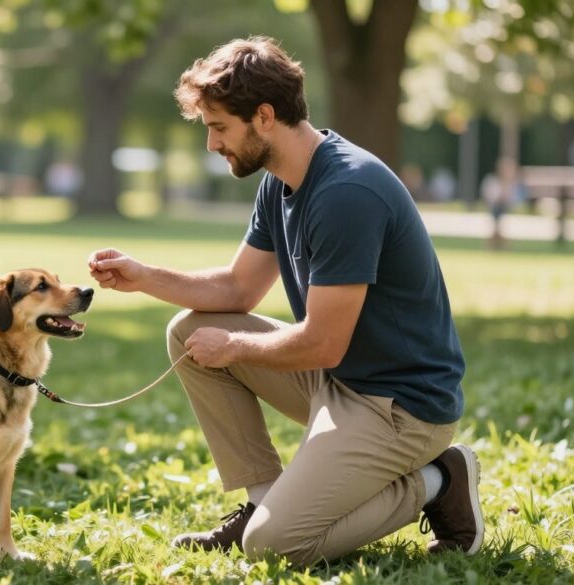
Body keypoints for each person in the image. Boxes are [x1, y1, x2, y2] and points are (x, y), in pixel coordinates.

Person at [88, 37, 482, 565]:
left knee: (276, 548)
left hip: (401, 408)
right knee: (186, 331)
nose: (212, 144)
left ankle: (439, 479)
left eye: (219, 127)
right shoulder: (281, 182)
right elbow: (236, 289)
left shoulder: (347, 192)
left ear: (265, 116)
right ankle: (261, 502)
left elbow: (322, 342)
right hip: (342, 381)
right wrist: (143, 277)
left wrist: (233, 346)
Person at [480, 157, 523, 250]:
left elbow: (516, 201)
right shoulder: (492, 181)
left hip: (506, 209)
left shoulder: (515, 184)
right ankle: (496, 241)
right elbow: (490, 198)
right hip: (496, 209)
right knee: (497, 211)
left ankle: (498, 241)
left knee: (499, 213)